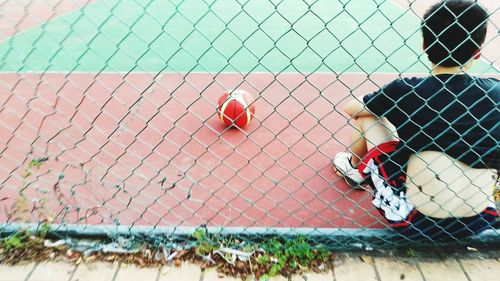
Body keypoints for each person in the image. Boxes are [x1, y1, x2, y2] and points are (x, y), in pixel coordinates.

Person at [333, 0, 499, 240]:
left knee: (368, 117)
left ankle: (355, 168)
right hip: (481, 217)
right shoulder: (495, 91)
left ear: (424, 45)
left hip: (415, 221)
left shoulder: (406, 91)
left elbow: (352, 108)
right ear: (477, 52)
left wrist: (381, 102)